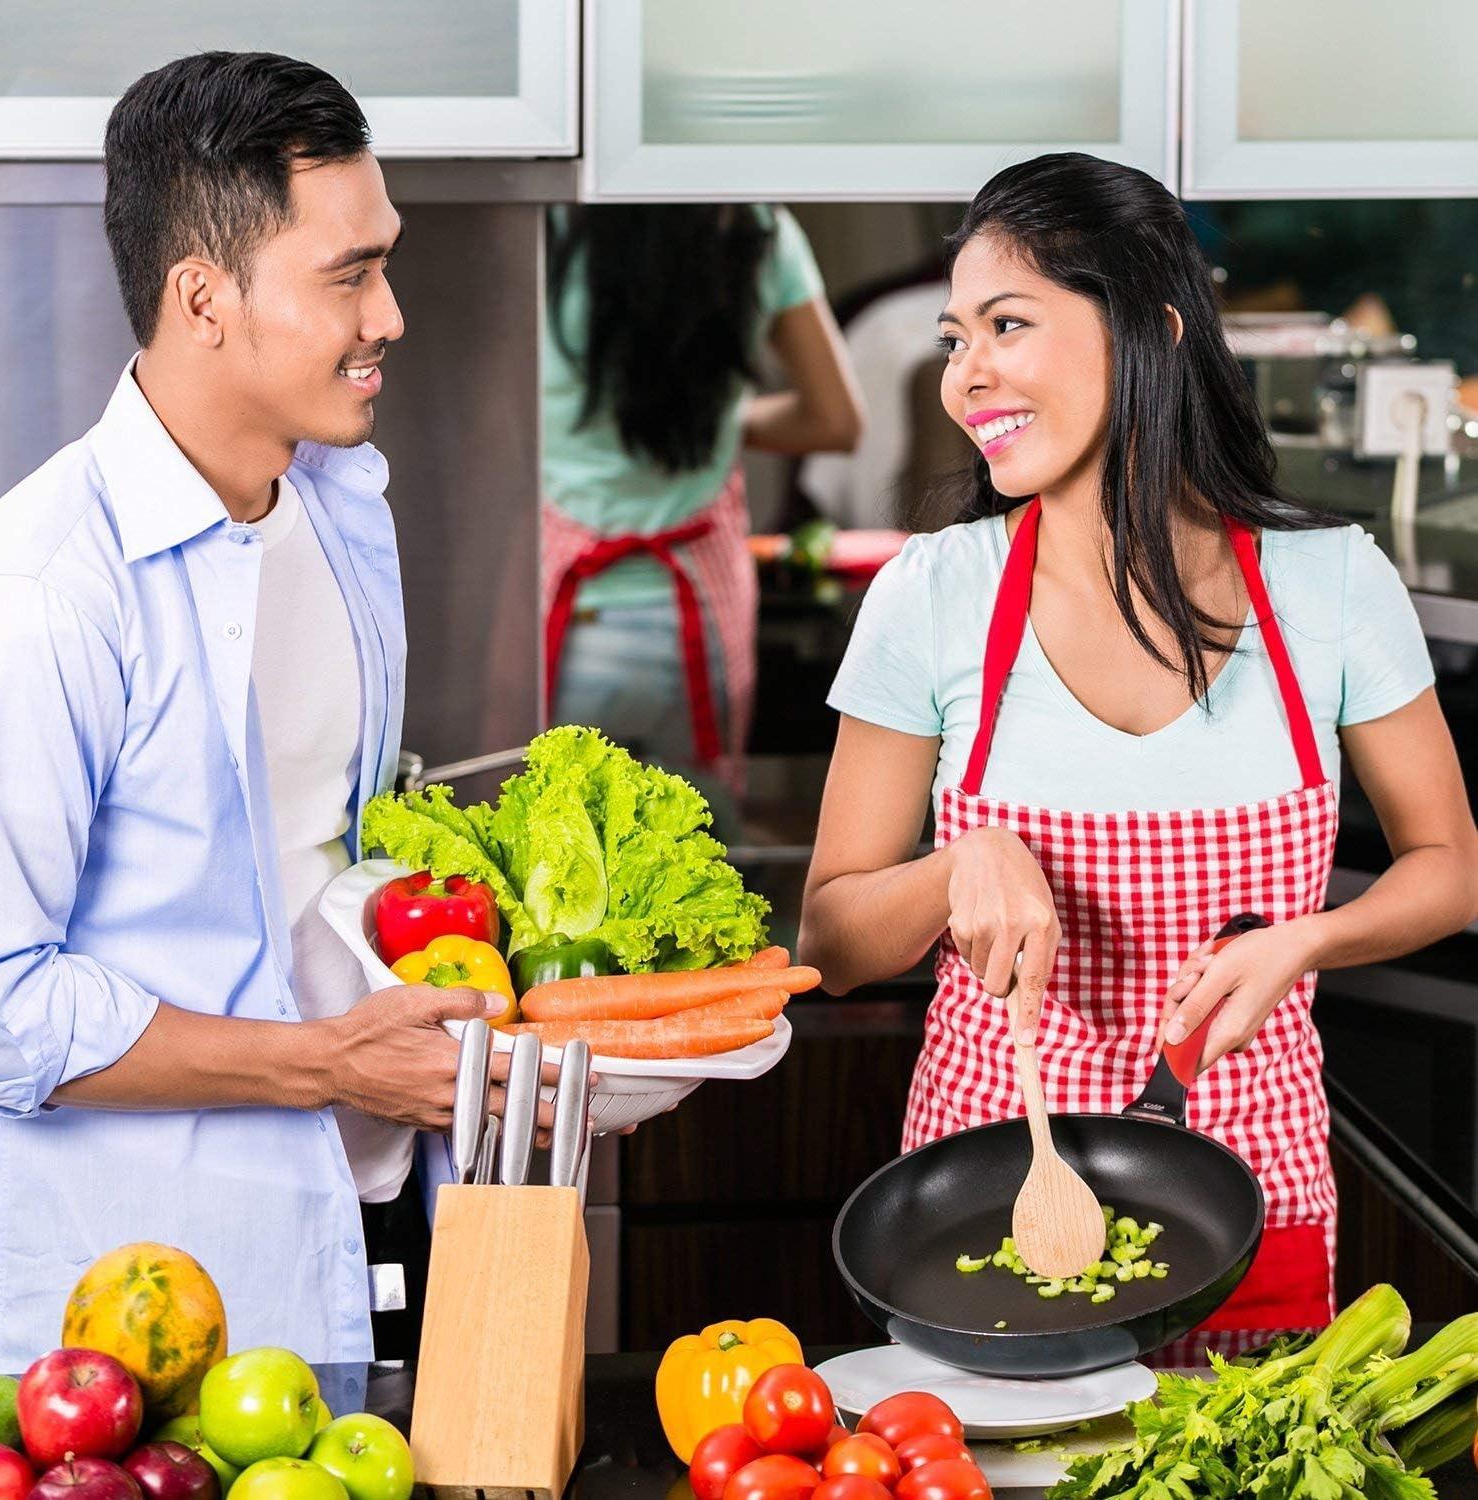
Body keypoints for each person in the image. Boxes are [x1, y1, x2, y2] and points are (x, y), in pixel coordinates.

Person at [799, 153, 1478, 1361]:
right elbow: (836, 945)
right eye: (958, 339)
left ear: (1152, 331)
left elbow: (1450, 866)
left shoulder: (1330, 584)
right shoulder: (935, 594)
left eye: (1010, 324)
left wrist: (1308, 938)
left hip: (1249, 1191)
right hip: (987, 1201)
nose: (967, 375)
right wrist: (962, 866)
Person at [0, 52, 531, 1368]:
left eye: (382, 263)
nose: (391, 314)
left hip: (376, 1218)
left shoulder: (346, 514)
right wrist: (328, 1064)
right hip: (143, 1318)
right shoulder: (48, 588)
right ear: (203, 299)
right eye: (348, 275)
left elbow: (328, 865)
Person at [542, 204, 864, 809]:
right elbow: (834, 419)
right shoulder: (759, 232)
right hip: (697, 615)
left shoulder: (547, 227)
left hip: (560, 610)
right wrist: (720, 423)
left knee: (558, 855)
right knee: (696, 853)